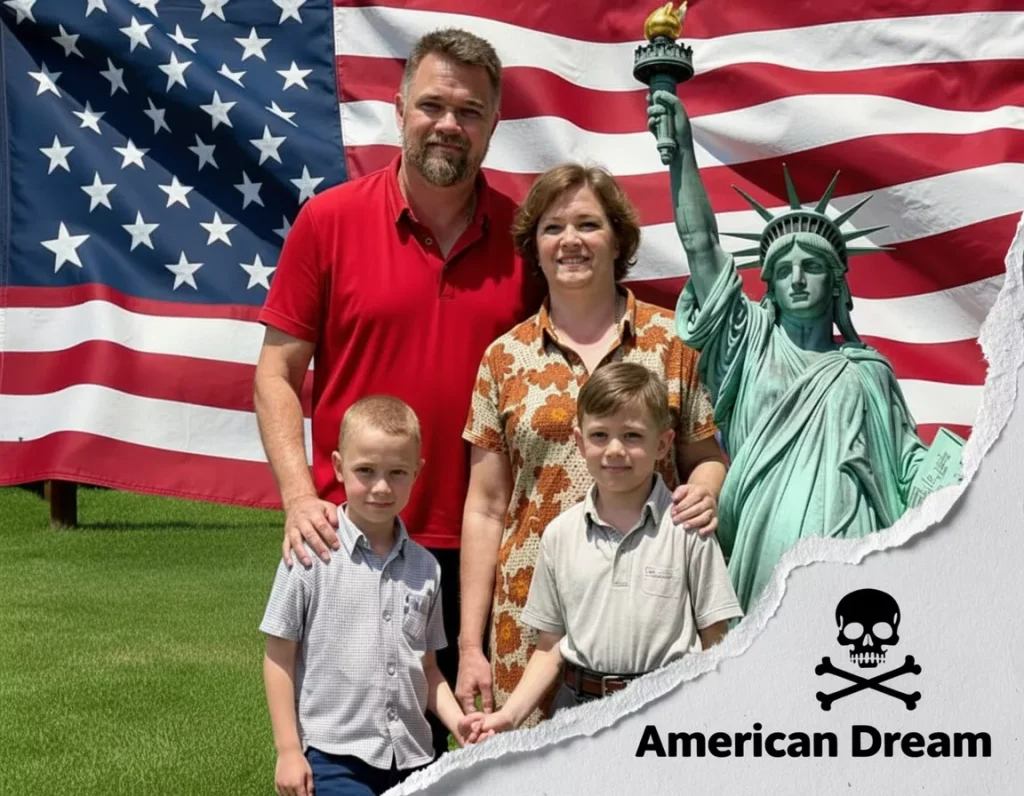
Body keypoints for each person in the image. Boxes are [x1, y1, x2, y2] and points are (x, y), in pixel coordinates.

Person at [253, 29, 543, 758]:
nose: (449, 124)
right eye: (433, 105)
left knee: (484, 756)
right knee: (352, 756)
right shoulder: (330, 221)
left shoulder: (527, 240)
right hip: (357, 543)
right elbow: (277, 374)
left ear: (494, 124)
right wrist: (298, 497)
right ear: (399, 109)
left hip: (488, 547)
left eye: (469, 111)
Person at [647, 89, 945, 613]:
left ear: (836, 283)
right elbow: (700, 244)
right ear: (770, 285)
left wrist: (952, 475)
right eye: (783, 270)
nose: (798, 279)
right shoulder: (750, 345)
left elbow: (905, 464)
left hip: (856, 548)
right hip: (764, 543)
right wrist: (684, 152)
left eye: (812, 268)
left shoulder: (868, 371)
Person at [456, 163, 728, 727]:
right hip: (531, 626)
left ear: (618, 239)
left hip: (647, 623)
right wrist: (469, 645)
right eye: (553, 228)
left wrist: (705, 491)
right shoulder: (503, 359)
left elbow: (705, 458)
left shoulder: (672, 344)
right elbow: (485, 507)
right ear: (534, 246)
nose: (570, 241)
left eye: (588, 224)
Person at [459, 363, 742, 738]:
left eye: (632, 435)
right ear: (579, 441)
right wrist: (509, 716)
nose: (615, 449)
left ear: (663, 444)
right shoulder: (560, 535)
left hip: (670, 711)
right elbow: (549, 646)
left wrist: (714, 717)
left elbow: (715, 636)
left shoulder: (689, 528)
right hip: (578, 716)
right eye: (600, 435)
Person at [260, 396, 479, 796]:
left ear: (418, 471)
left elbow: (428, 669)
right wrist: (288, 750)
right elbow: (279, 658)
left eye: (397, 472)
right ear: (338, 466)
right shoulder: (309, 556)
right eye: (366, 471)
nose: (381, 487)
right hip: (335, 757)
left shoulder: (427, 569)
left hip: (413, 756)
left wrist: (457, 722)